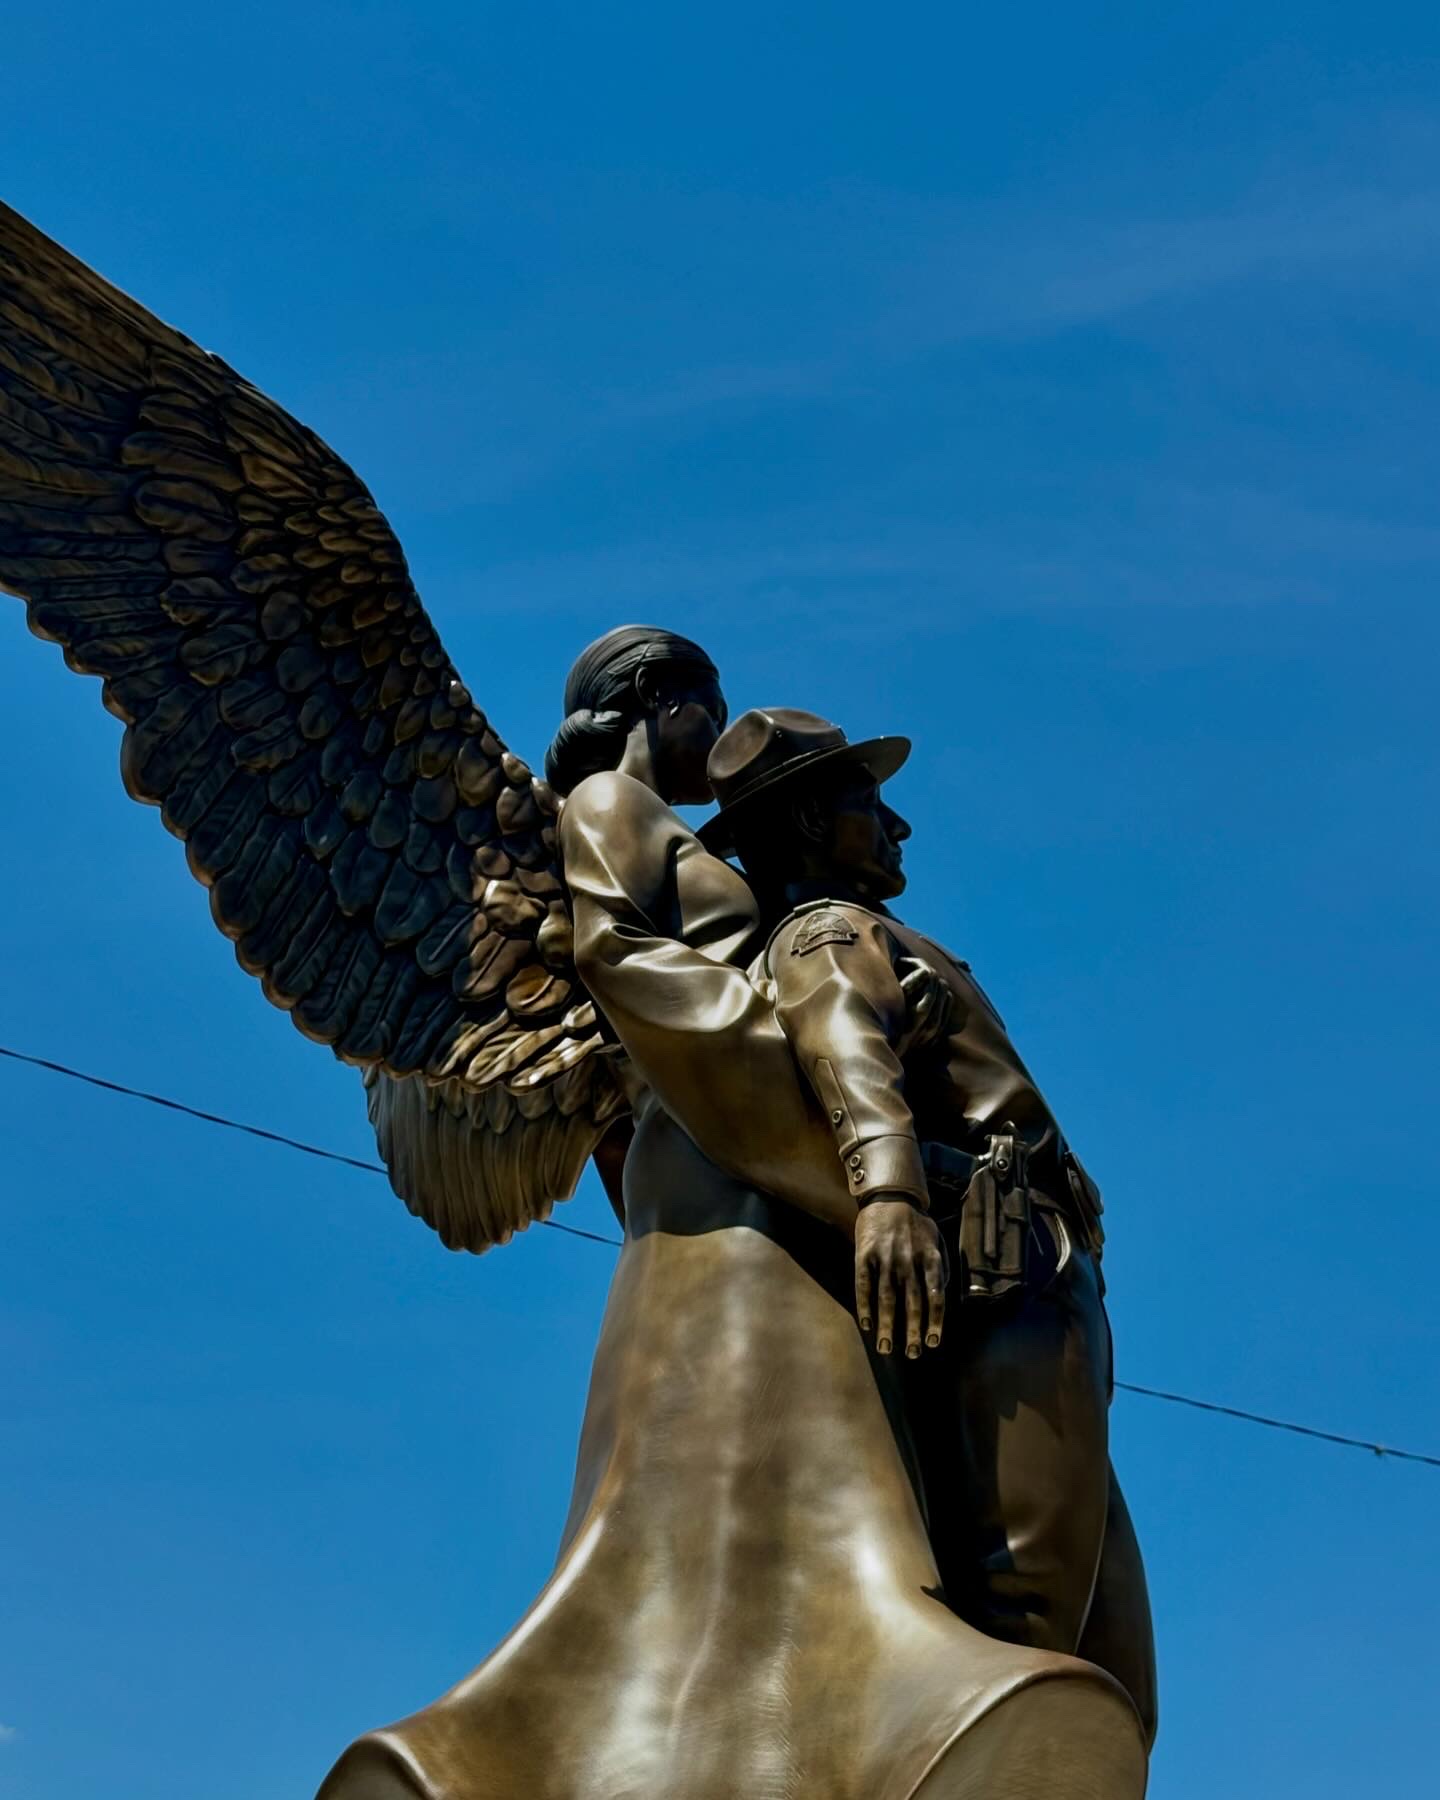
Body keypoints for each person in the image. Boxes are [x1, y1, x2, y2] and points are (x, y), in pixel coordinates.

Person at [317, 639, 1147, 1799]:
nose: (719, 720)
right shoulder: (615, 808)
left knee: (846, 1544)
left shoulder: (766, 889)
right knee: (763, 1554)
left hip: (782, 1187)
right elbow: (657, 988)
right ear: (663, 701)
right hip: (745, 1179)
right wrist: (876, 1175)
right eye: (706, 699)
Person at [696, 706, 1158, 1748]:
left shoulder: (888, 934)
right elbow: (844, 1038)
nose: (896, 824)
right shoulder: (828, 934)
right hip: (1001, 1280)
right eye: (867, 801)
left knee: (1109, 1664)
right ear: (811, 823)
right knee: (1022, 1632)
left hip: (1042, 1278)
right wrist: (890, 1191)